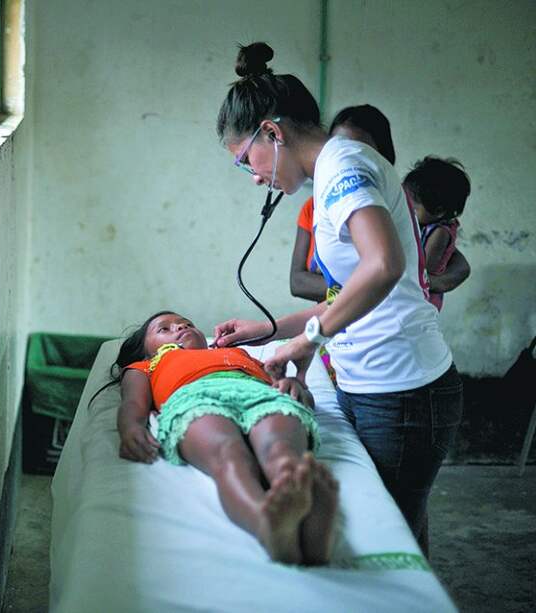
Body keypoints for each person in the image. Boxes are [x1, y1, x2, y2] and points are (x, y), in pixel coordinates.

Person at [212, 42, 463, 555]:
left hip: (401, 390)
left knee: (390, 542)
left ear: (272, 133)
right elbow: (350, 294)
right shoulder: (335, 170)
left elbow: (384, 266)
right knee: (393, 534)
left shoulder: (343, 168)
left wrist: (309, 342)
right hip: (377, 382)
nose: (255, 176)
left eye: (246, 162)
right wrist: (270, 330)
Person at [114, 311, 338, 565]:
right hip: (194, 397)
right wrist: (130, 427)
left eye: (187, 323)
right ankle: (267, 526)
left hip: (258, 393)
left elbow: (300, 400)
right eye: (164, 329)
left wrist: (297, 386)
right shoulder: (145, 366)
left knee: (280, 450)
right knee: (227, 455)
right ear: (147, 353)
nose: (179, 327)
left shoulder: (240, 354)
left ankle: (309, 525)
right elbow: (133, 402)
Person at [290, 106, 471, 306]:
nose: (345, 155)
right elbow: (297, 283)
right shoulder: (313, 207)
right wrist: (366, 289)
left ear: (382, 156)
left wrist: (422, 283)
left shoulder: (395, 205)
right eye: (336, 146)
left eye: (358, 147)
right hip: (340, 318)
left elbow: (459, 267)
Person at [403, 156, 471, 310]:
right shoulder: (425, 223)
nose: (407, 212)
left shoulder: (440, 232)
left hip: (425, 298)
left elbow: (423, 267)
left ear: (439, 211)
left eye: (414, 209)